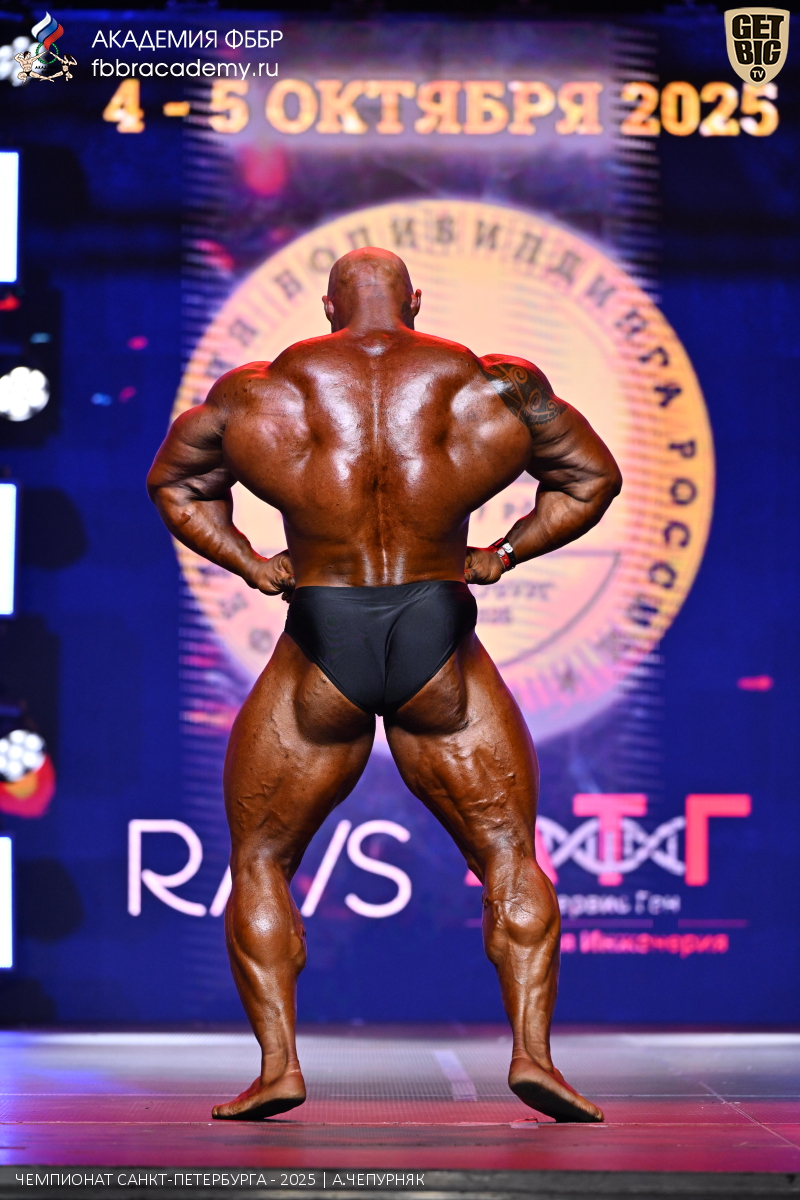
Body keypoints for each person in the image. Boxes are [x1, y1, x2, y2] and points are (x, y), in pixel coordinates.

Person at [147, 247, 621, 1124]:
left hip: (321, 635)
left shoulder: (255, 394)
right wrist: (503, 552)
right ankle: (534, 1055)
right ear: (416, 301)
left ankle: (279, 1068)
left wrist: (250, 562)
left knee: (261, 860)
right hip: (437, 632)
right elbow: (592, 479)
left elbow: (175, 485)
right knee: (508, 853)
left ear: (329, 307)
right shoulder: (495, 387)